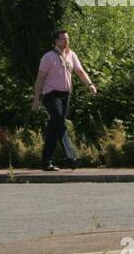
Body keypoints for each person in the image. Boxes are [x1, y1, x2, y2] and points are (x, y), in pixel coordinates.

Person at [33, 29, 97, 172]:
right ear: (56, 41)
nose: (66, 41)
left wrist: (90, 85)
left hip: (65, 96)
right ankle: (72, 158)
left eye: (67, 39)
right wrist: (36, 98)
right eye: (63, 39)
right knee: (60, 124)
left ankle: (46, 162)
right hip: (51, 96)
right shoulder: (48, 57)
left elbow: (80, 72)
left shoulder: (71, 55)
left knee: (54, 128)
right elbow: (40, 79)